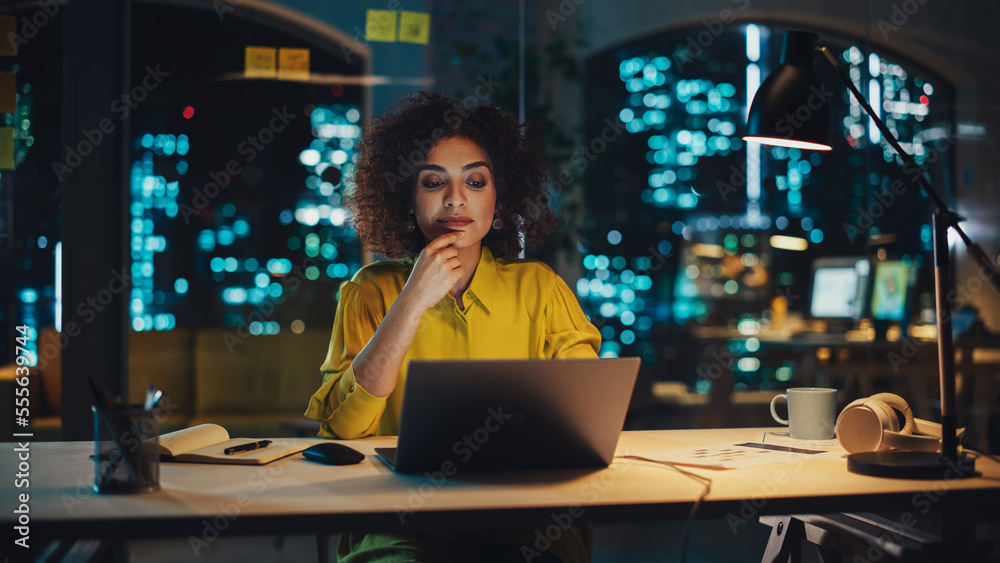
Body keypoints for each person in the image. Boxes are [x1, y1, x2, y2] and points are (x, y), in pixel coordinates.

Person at [304, 91, 601, 562]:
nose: (456, 199)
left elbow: (588, 415)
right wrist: (412, 301)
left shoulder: (540, 289)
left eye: (475, 181)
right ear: (408, 199)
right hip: (398, 515)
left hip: (520, 515)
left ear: (498, 200)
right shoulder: (369, 290)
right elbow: (343, 429)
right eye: (434, 182)